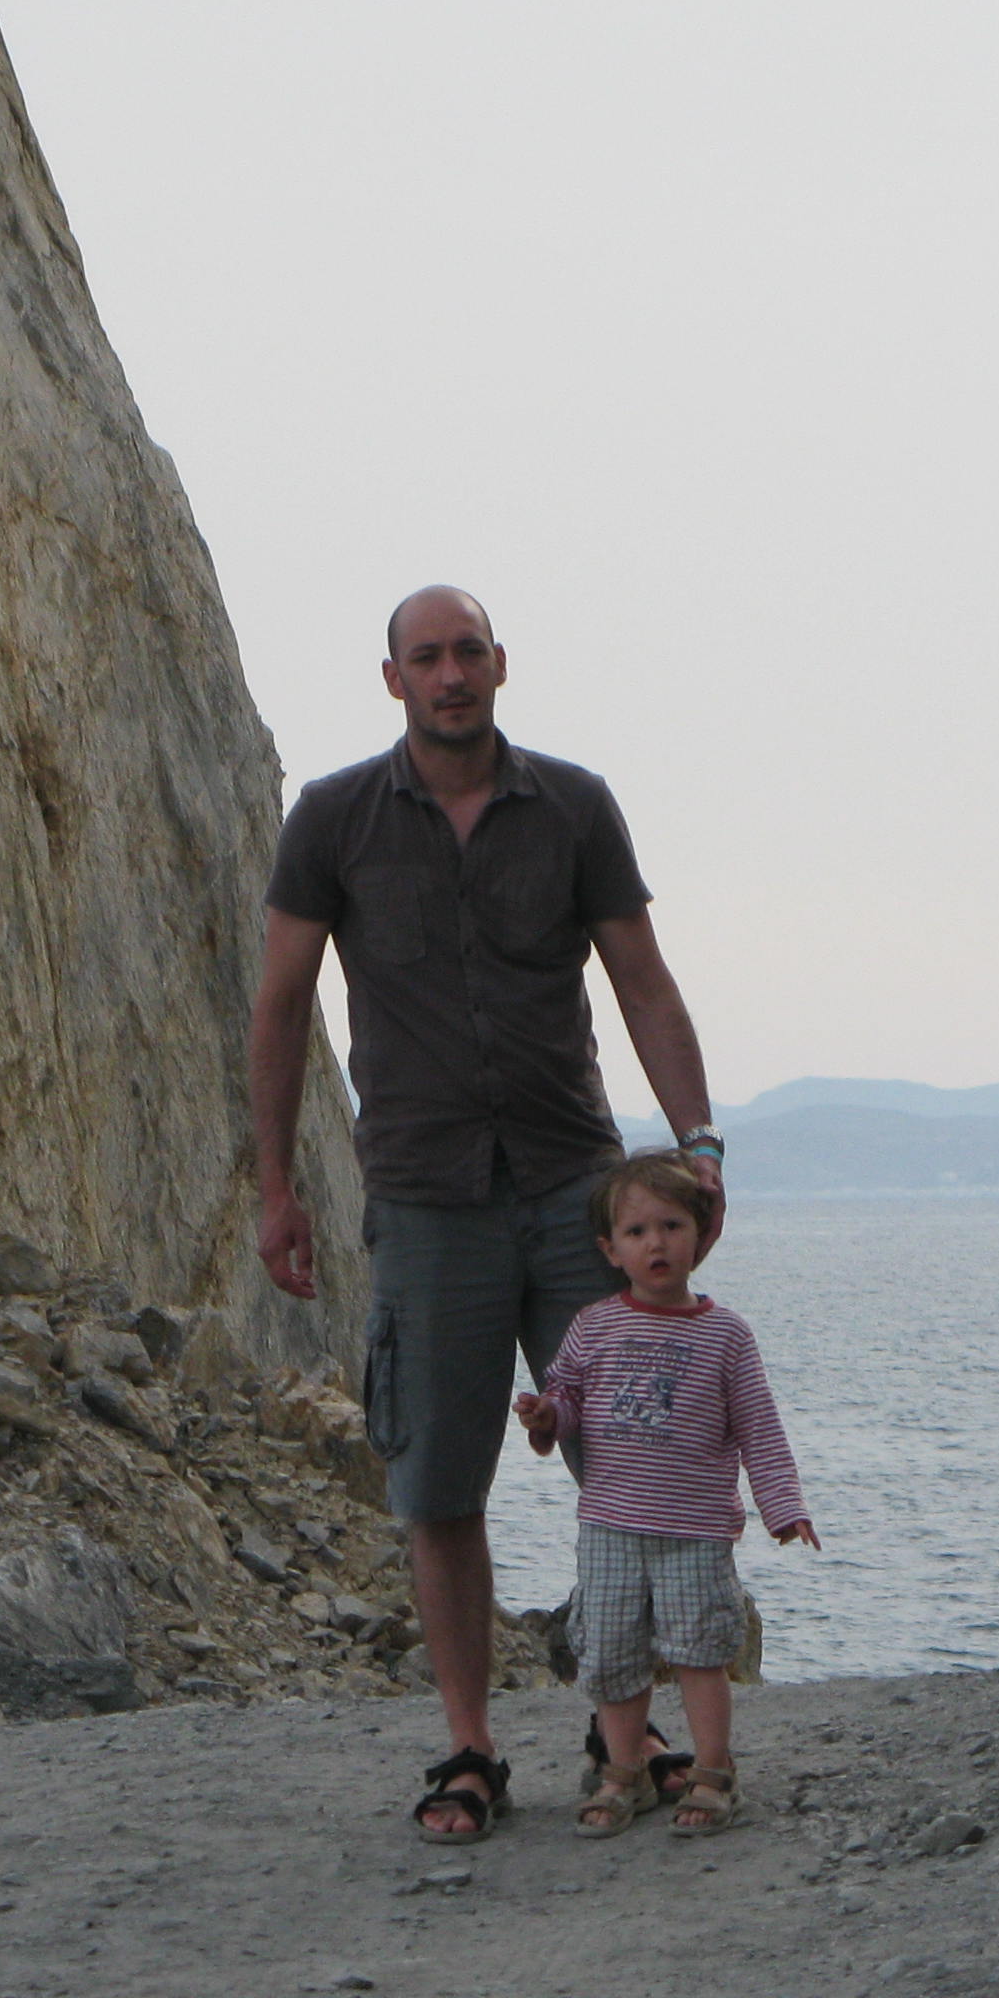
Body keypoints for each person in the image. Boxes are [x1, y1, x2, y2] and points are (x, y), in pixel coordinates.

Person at [246, 586, 725, 1842]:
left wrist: (697, 1144)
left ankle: (625, 1728)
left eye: (467, 652)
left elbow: (642, 982)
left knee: (628, 1465)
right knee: (437, 1482)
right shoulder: (334, 820)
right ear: (392, 679)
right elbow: (281, 1003)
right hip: (425, 1199)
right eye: (427, 657)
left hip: (577, 1193)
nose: (450, 674)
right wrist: (276, 1190)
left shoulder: (572, 806)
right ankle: (469, 1749)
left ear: (501, 664)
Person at [514, 1153, 816, 1837]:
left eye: (672, 1226)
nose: (657, 1243)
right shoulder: (594, 1325)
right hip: (610, 1528)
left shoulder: (726, 1335)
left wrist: (783, 1506)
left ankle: (712, 1770)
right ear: (610, 1250)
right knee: (611, 1655)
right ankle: (624, 1771)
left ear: (700, 1235)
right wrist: (546, 1417)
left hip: (694, 1532)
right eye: (637, 1231)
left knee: (700, 1652)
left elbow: (759, 1426)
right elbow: (568, 1398)